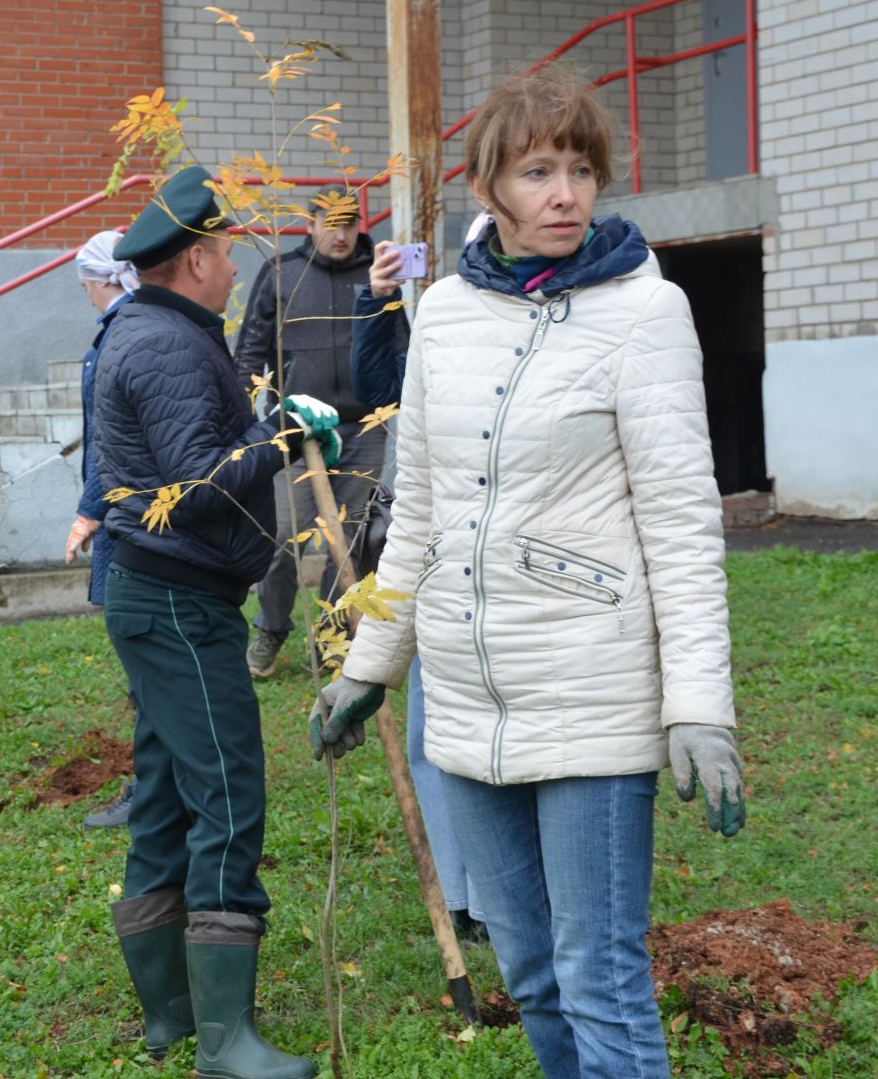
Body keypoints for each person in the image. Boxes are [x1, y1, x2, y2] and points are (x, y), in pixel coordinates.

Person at [311, 66, 747, 1078]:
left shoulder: (647, 315)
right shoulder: (449, 316)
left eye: (582, 170)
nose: (566, 194)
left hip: (591, 689)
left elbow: (682, 523)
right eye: (540, 171)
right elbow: (416, 509)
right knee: (533, 971)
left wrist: (699, 707)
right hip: (465, 698)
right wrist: (371, 668)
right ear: (488, 192)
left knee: (598, 974)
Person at [95, 165, 338, 1078]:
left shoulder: (157, 329)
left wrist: (266, 423)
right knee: (230, 796)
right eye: (227, 250)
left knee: (161, 800)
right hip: (178, 603)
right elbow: (195, 488)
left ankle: (171, 1017)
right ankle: (225, 1041)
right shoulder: (164, 345)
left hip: (163, 598)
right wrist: (279, 429)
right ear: (195, 258)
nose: (235, 265)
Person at [348, 241, 486, 945]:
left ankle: (497, 893)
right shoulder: (440, 327)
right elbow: (379, 388)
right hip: (435, 559)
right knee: (436, 734)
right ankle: (462, 894)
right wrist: (378, 303)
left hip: (522, 579)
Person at [234, 189, 407, 677]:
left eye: (349, 223)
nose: (340, 233)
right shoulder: (283, 272)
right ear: (309, 225)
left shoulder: (378, 275)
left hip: (362, 428)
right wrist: (250, 413)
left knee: (349, 541)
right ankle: (270, 630)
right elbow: (250, 349)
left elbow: (401, 347)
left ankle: (333, 641)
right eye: (330, 222)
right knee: (283, 538)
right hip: (294, 430)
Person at [65, 229, 139, 830]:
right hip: (127, 511)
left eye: (86, 284)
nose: (87, 296)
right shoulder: (129, 328)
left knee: (143, 656)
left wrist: (89, 509)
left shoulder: (119, 334)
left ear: (101, 280)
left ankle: (153, 788)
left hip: (127, 518)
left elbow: (111, 442)